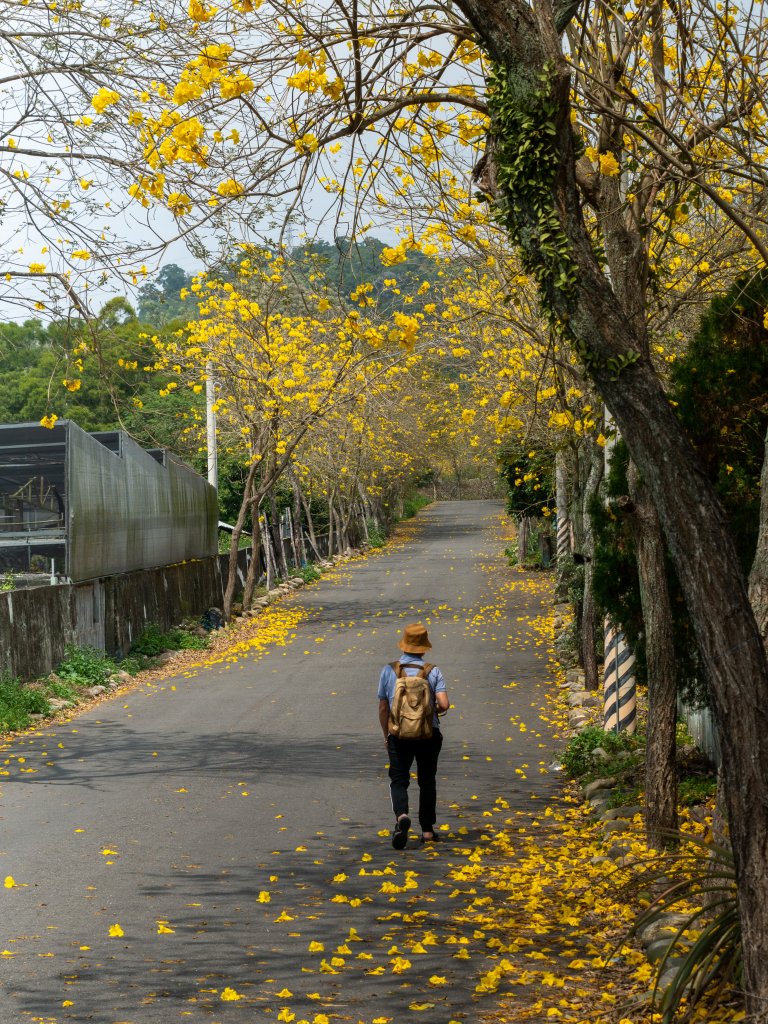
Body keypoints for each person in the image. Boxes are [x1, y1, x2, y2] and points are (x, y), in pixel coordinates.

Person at [378, 623, 449, 849]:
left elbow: (383, 708)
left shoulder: (389, 670)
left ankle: (401, 817)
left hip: (399, 735)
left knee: (399, 780)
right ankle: (427, 831)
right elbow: (445, 704)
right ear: (424, 647)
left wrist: (387, 733)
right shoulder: (432, 671)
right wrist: (426, 712)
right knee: (427, 781)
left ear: (405, 643)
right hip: (428, 734)